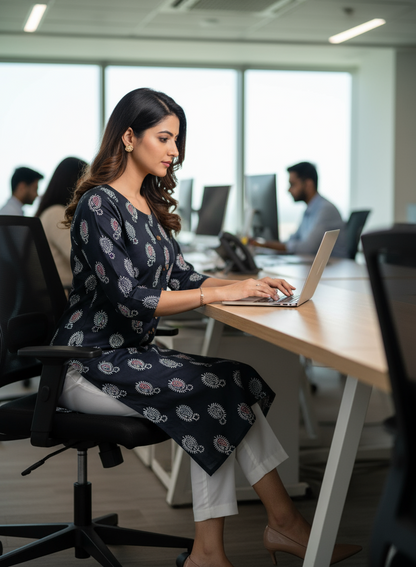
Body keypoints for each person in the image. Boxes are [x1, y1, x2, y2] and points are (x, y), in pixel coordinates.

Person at [51, 88, 360, 567]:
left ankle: (257, 535)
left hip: (132, 359)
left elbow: (183, 277)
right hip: (87, 364)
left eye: (178, 140)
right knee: (212, 393)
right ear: (129, 138)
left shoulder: (148, 209)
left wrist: (246, 284)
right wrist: (219, 293)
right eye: (164, 137)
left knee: (231, 379)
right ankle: (251, 538)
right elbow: (131, 298)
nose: (175, 151)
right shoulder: (99, 205)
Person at [251, 161, 348, 257]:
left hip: (334, 268)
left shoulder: (326, 210)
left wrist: (266, 245)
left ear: (308, 184)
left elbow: (308, 247)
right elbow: (293, 240)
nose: (288, 190)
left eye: (292, 184)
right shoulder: (309, 211)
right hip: (318, 266)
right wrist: (265, 246)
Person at [35, 156, 87, 288]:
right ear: (78, 183)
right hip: (65, 294)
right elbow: (82, 258)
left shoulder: (52, 212)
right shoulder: (56, 214)